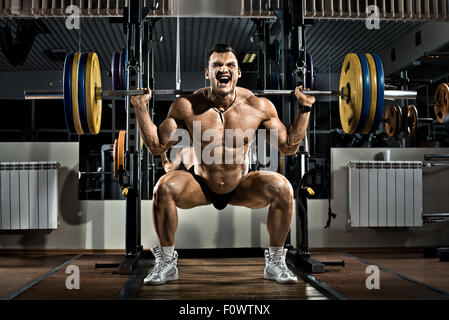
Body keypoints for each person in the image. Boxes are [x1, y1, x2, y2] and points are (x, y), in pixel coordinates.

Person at [130, 43, 315, 285]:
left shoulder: (257, 106)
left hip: (240, 185)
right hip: (200, 185)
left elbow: (289, 146)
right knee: (164, 187)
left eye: (230, 65)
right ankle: (166, 262)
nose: (223, 69)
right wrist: (141, 107)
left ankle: (276, 262)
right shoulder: (186, 106)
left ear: (238, 73)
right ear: (207, 73)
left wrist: (305, 107)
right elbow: (156, 147)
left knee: (282, 187)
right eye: (216, 65)